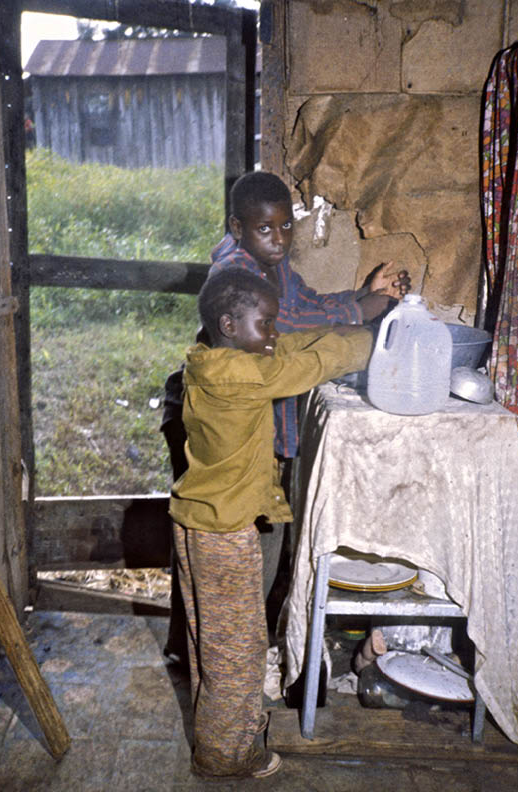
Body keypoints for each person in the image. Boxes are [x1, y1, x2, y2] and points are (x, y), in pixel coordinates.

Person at [161, 171, 410, 663]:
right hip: (217, 420)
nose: (279, 239)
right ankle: (222, 654)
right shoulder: (234, 269)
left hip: (248, 417)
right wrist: (367, 315)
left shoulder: (273, 265)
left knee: (237, 543)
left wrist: (362, 300)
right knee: (236, 540)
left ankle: (216, 651)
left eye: (285, 228)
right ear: (238, 227)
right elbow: (290, 327)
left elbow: (306, 306)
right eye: (265, 230)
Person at [169, 267, 374, 779]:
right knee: (238, 655)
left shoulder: (212, 359)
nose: (274, 333)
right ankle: (228, 756)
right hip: (225, 535)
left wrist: (330, 329)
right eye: (266, 323)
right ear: (230, 325)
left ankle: (218, 737)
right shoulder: (244, 376)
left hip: (195, 523)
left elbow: (288, 348)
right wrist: (369, 338)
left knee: (211, 645)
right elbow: (310, 366)